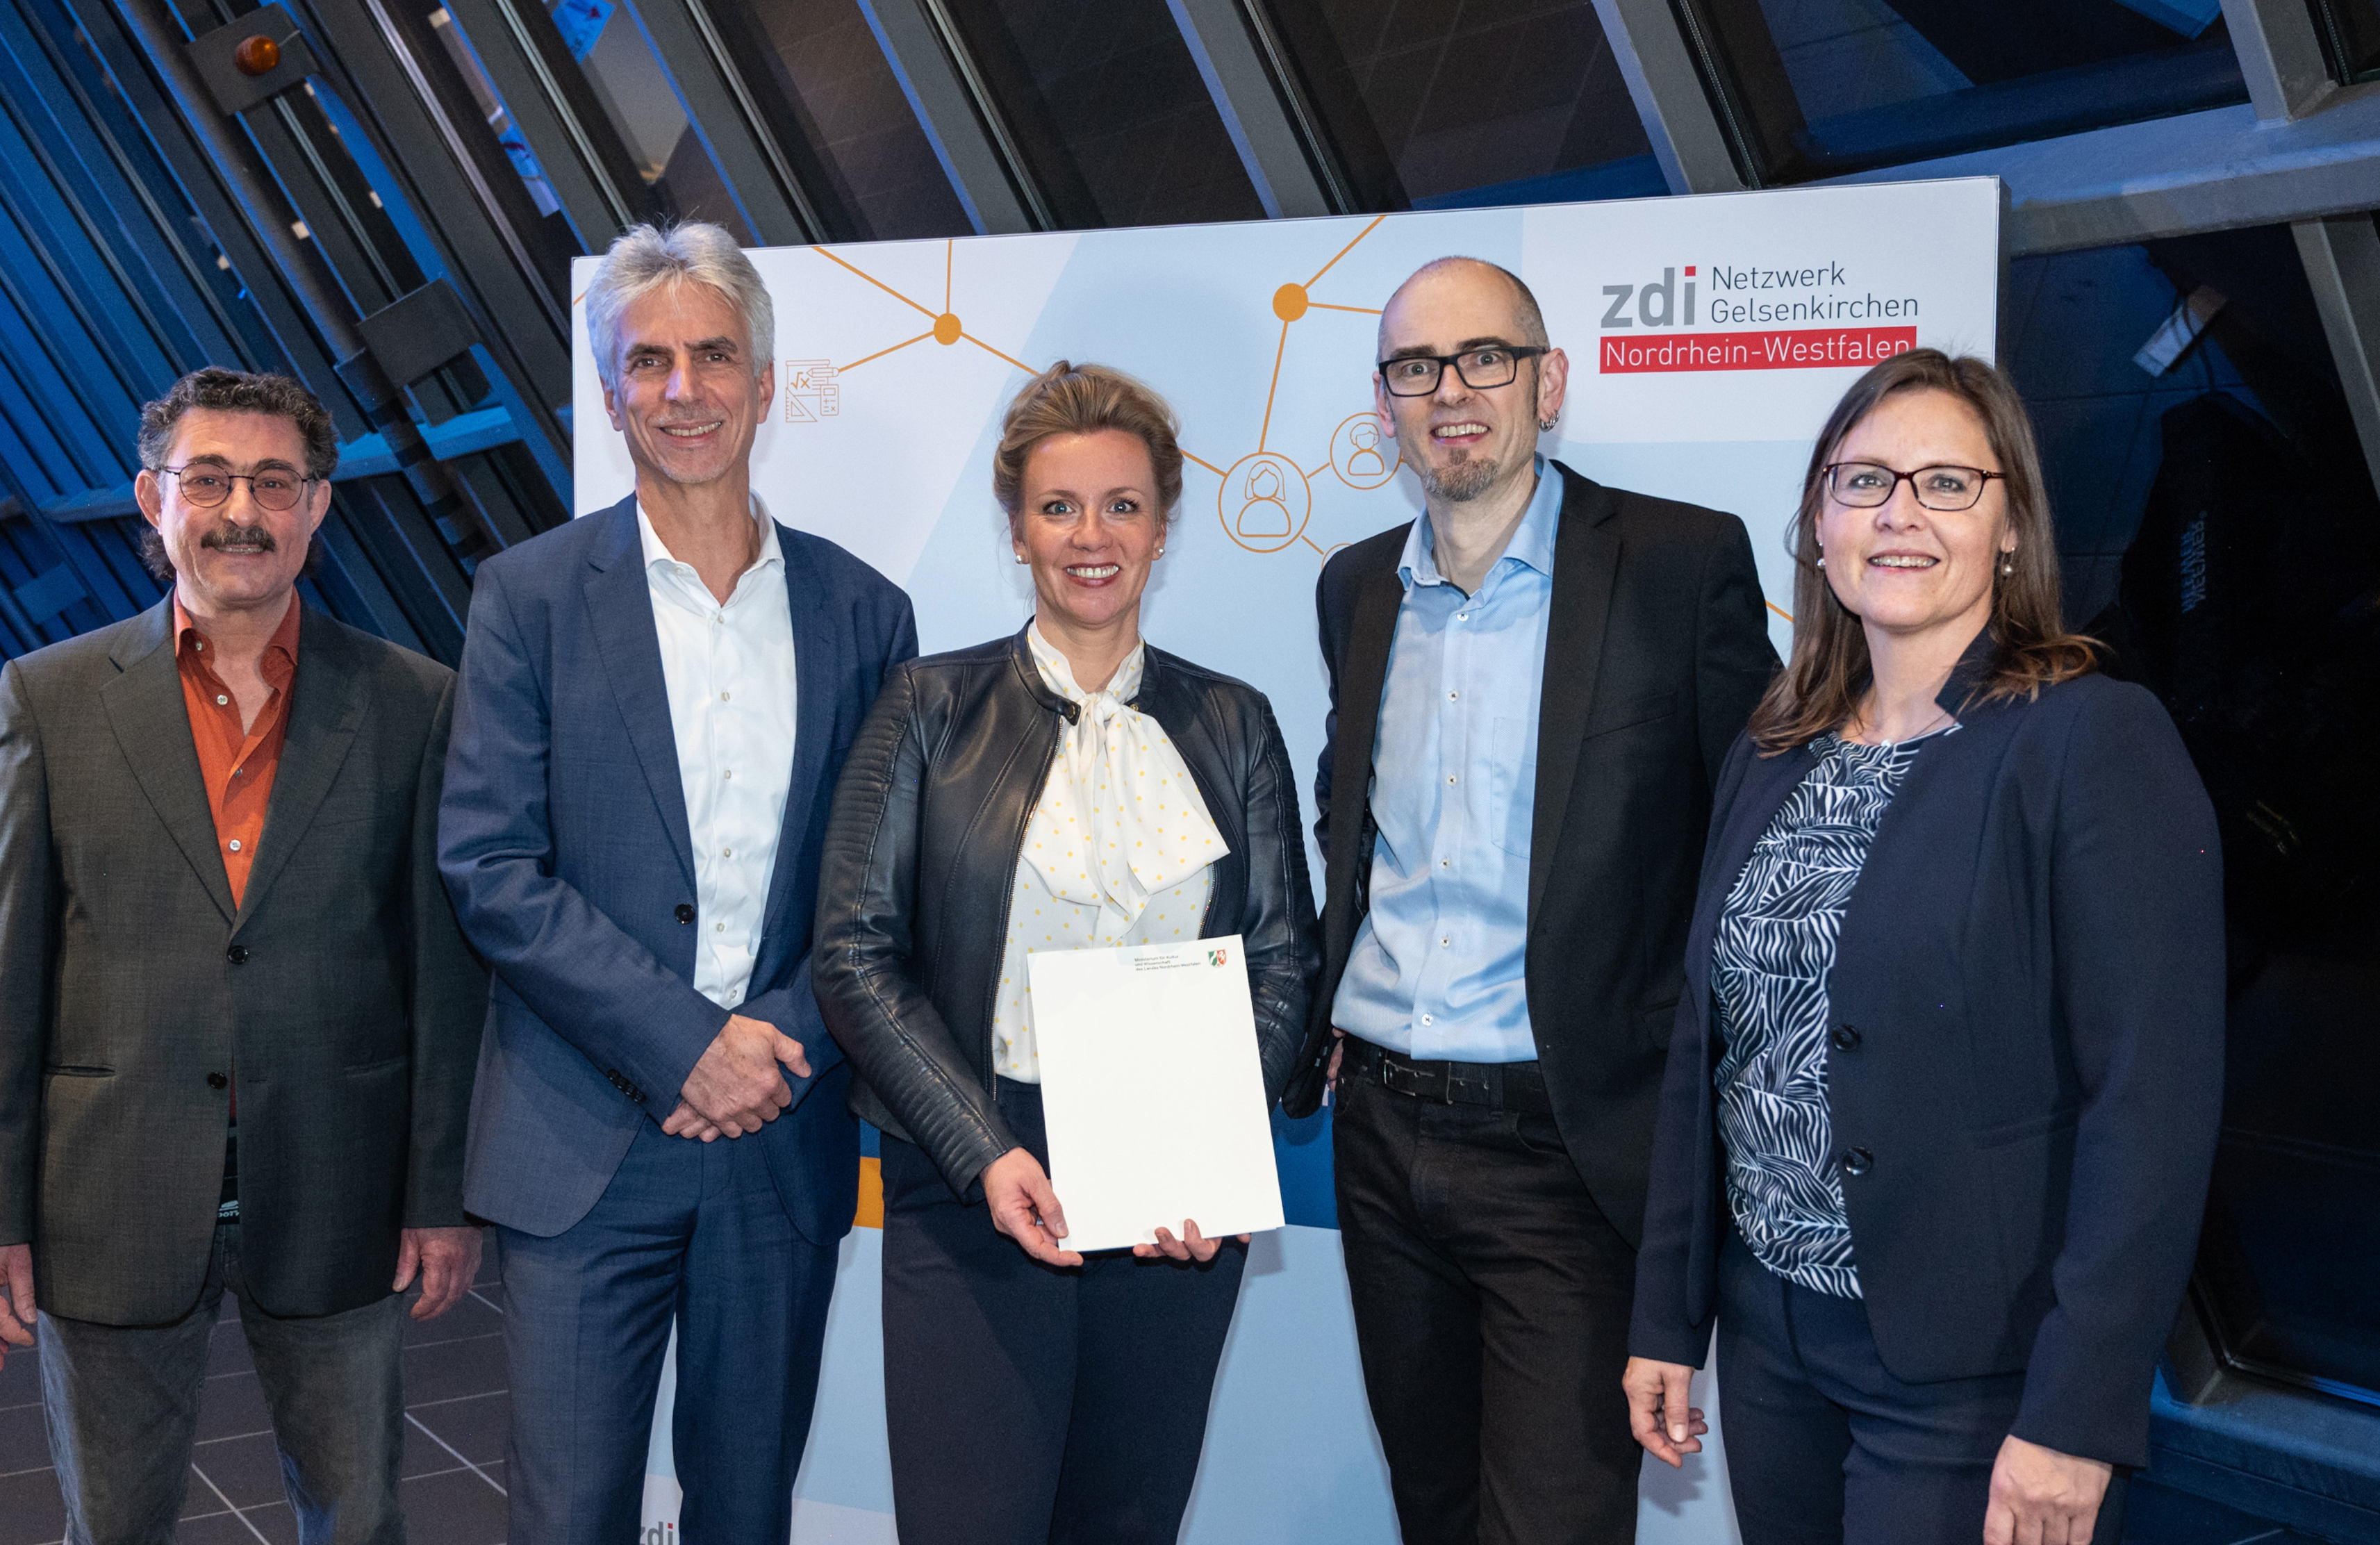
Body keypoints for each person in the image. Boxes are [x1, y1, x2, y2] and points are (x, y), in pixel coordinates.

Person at [1624, 349, 2224, 1545]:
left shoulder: (2088, 740)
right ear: (1818, 523)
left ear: (2011, 527)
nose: (1899, 513)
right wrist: (1665, 1316)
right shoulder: (1774, 747)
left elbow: (2151, 1100)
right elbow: (1712, 1047)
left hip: (1973, 1375)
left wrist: (2077, 1415)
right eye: (1864, 482)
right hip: (1770, 1344)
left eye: (1946, 483)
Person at [1278, 256, 1778, 1543]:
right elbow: (1350, 817)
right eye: (1415, 367)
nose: (1449, 391)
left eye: (1484, 358)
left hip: (1569, 1146)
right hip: (1379, 1137)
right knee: (1435, 1513)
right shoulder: (1355, 588)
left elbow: (1757, 843)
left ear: (1547, 384)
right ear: (1383, 403)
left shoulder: (1678, 564)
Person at [437, 222, 916, 1543]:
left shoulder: (865, 612)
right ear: (611, 395)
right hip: (581, 1142)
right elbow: (490, 866)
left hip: (780, 1127)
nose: (683, 389)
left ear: (764, 384)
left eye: (712, 356)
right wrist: (686, 1046)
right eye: (648, 362)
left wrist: (769, 1048)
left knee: (746, 1511)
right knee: (569, 1515)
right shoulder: (527, 597)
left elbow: (878, 886)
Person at [812, 361, 1319, 1545]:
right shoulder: (927, 705)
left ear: (1162, 526)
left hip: (1172, 1201)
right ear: (1017, 529)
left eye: (1122, 506)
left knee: (1128, 1522)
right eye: (1059, 508)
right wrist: (981, 1151)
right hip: (977, 1176)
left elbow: (1283, 959)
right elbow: (854, 953)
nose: (1092, 538)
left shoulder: (1235, 719)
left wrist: (1201, 1152)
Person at [0, 367, 486, 1544]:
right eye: (208, 478)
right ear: (151, 499)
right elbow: (11, 978)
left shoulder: (416, 702)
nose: (241, 512)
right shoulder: (47, 699)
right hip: (106, 1192)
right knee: (114, 1528)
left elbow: (443, 980)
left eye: (275, 482)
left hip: (340, 1185)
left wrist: (440, 1198)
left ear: (318, 505)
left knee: (357, 1520)